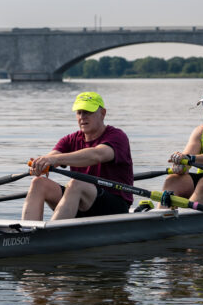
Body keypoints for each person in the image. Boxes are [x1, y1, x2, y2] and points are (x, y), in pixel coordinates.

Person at [21, 91, 134, 221]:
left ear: (103, 114)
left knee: (76, 184)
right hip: (80, 203)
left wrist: (55, 159)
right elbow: (53, 156)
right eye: (79, 112)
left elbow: (97, 154)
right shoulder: (70, 139)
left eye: (87, 112)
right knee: (38, 183)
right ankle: (26, 234)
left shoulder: (117, 136)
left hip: (114, 207)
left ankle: (51, 235)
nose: (82, 117)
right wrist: (42, 163)